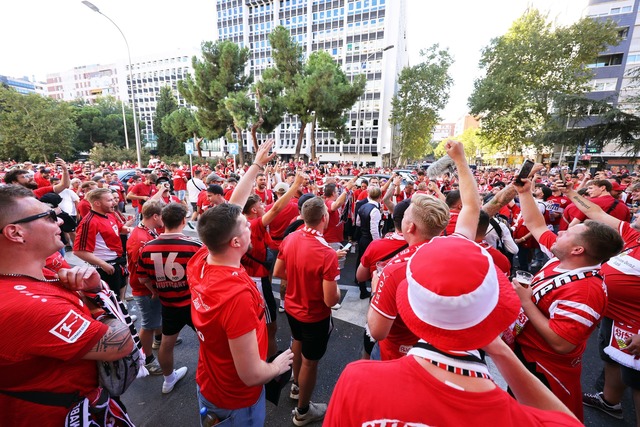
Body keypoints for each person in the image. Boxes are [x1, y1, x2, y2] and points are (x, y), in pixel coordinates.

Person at [324, 237, 581, 426]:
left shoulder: (357, 380)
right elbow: (566, 420)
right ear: (493, 312)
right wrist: (497, 346)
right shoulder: (520, 419)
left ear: (413, 310)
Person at [0, 185, 134, 426]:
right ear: (16, 233)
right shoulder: (27, 306)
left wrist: (92, 292)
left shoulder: (41, 273)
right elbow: (121, 344)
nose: (60, 221)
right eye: (50, 215)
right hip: (58, 415)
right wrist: (96, 297)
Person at [188, 139, 293, 426]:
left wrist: (257, 164)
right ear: (236, 241)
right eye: (246, 226)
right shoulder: (236, 296)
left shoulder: (200, 260)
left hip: (210, 383)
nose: (249, 223)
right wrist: (277, 365)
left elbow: (232, 209)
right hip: (236, 401)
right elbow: (251, 375)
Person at [509, 177, 624, 421]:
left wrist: (526, 301)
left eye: (568, 233)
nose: (560, 232)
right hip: (527, 357)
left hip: (545, 371)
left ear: (578, 250)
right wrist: (525, 192)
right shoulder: (563, 259)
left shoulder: (585, 291)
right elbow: (536, 224)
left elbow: (563, 343)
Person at [368, 140, 480, 361]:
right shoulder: (458, 246)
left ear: (409, 227)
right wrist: (461, 160)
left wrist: (375, 291)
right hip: (443, 354)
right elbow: (472, 207)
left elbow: (377, 331)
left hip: (399, 359)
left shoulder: (394, 272)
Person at [558, 181, 640, 424]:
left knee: (637, 383)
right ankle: (609, 402)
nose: (636, 213)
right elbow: (596, 213)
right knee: (611, 359)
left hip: (635, 326)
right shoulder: (633, 236)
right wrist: (571, 193)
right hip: (613, 318)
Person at [274, 196, 343, 425]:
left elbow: (278, 271)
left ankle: (295, 385)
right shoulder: (327, 253)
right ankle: (303, 411)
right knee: (311, 362)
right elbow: (330, 299)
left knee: (297, 340)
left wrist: (300, 275)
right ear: (324, 217)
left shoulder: (291, 237)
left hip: (293, 308)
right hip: (314, 315)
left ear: (303, 216)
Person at [137, 203, 201, 394]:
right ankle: (211, 378)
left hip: (168, 303)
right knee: (209, 341)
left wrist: (155, 290)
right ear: (183, 220)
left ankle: (168, 379)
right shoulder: (194, 246)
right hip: (192, 303)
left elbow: (142, 277)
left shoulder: (147, 247)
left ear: (162, 221)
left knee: (166, 343)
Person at [241, 173, 305, 357]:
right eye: (260, 205)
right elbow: (276, 208)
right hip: (257, 281)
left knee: (258, 322)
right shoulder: (254, 225)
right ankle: (270, 363)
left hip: (251, 277)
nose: (263, 206)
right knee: (271, 325)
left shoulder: (241, 223)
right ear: (253, 210)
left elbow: (271, 244)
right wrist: (295, 186)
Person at [126, 200, 165, 376]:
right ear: (155, 216)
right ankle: (147, 359)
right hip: (145, 290)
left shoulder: (146, 231)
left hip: (149, 288)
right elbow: (142, 274)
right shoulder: (140, 238)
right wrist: (153, 290)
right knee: (148, 324)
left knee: (154, 318)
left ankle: (157, 340)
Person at [74, 188, 130, 296]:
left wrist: (129, 229)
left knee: (120, 292)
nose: (114, 202)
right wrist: (103, 264)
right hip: (106, 268)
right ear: (97, 203)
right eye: (109, 200)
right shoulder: (89, 222)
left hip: (118, 262)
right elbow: (78, 251)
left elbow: (120, 228)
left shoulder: (109, 214)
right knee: (111, 298)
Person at [3, 156, 70, 199]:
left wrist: (65, 169)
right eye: (26, 176)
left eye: (30, 176)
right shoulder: (8, 200)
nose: (32, 178)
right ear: (14, 182)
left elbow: (64, 185)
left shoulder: (37, 192)